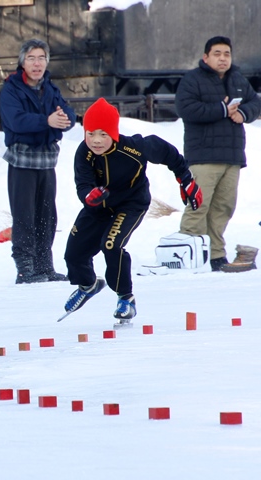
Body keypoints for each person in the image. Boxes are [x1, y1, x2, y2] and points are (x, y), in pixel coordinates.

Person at [61, 98, 202, 325]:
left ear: (114, 133)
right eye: (90, 134)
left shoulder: (134, 147)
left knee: (111, 244)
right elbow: (83, 184)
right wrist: (89, 196)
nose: (96, 140)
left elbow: (168, 153)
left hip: (130, 204)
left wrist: (185, 179)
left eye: (103, 134)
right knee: (74, 255)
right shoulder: (83, 153)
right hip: (97, 207)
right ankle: (88, 285)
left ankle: (126, 298)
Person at [175, 36, 261, 272]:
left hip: (232, 156)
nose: (223, 58)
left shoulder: (238, 79)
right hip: (203, 156)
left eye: (227, 54)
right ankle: (188, 254)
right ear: (206, 57)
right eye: (217, 53)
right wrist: (221, 109)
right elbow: (186, 109)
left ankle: (215, 255)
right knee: (198, 206)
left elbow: (255, 102)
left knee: (223, 208)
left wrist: (244, 113)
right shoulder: (192, 80)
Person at [0, 38, 76, 284]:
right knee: (24, 216)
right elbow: (16, 121)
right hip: (21, 161)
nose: (37, 63)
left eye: (41, 58)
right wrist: (47, 123)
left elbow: (68, 115)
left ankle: (45, 266)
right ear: (22, 62)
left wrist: (63, 120)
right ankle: (25, 270)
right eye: (31, 58)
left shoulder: (50, 88)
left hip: (46, 161)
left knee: (47, 216)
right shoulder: (11, 88)